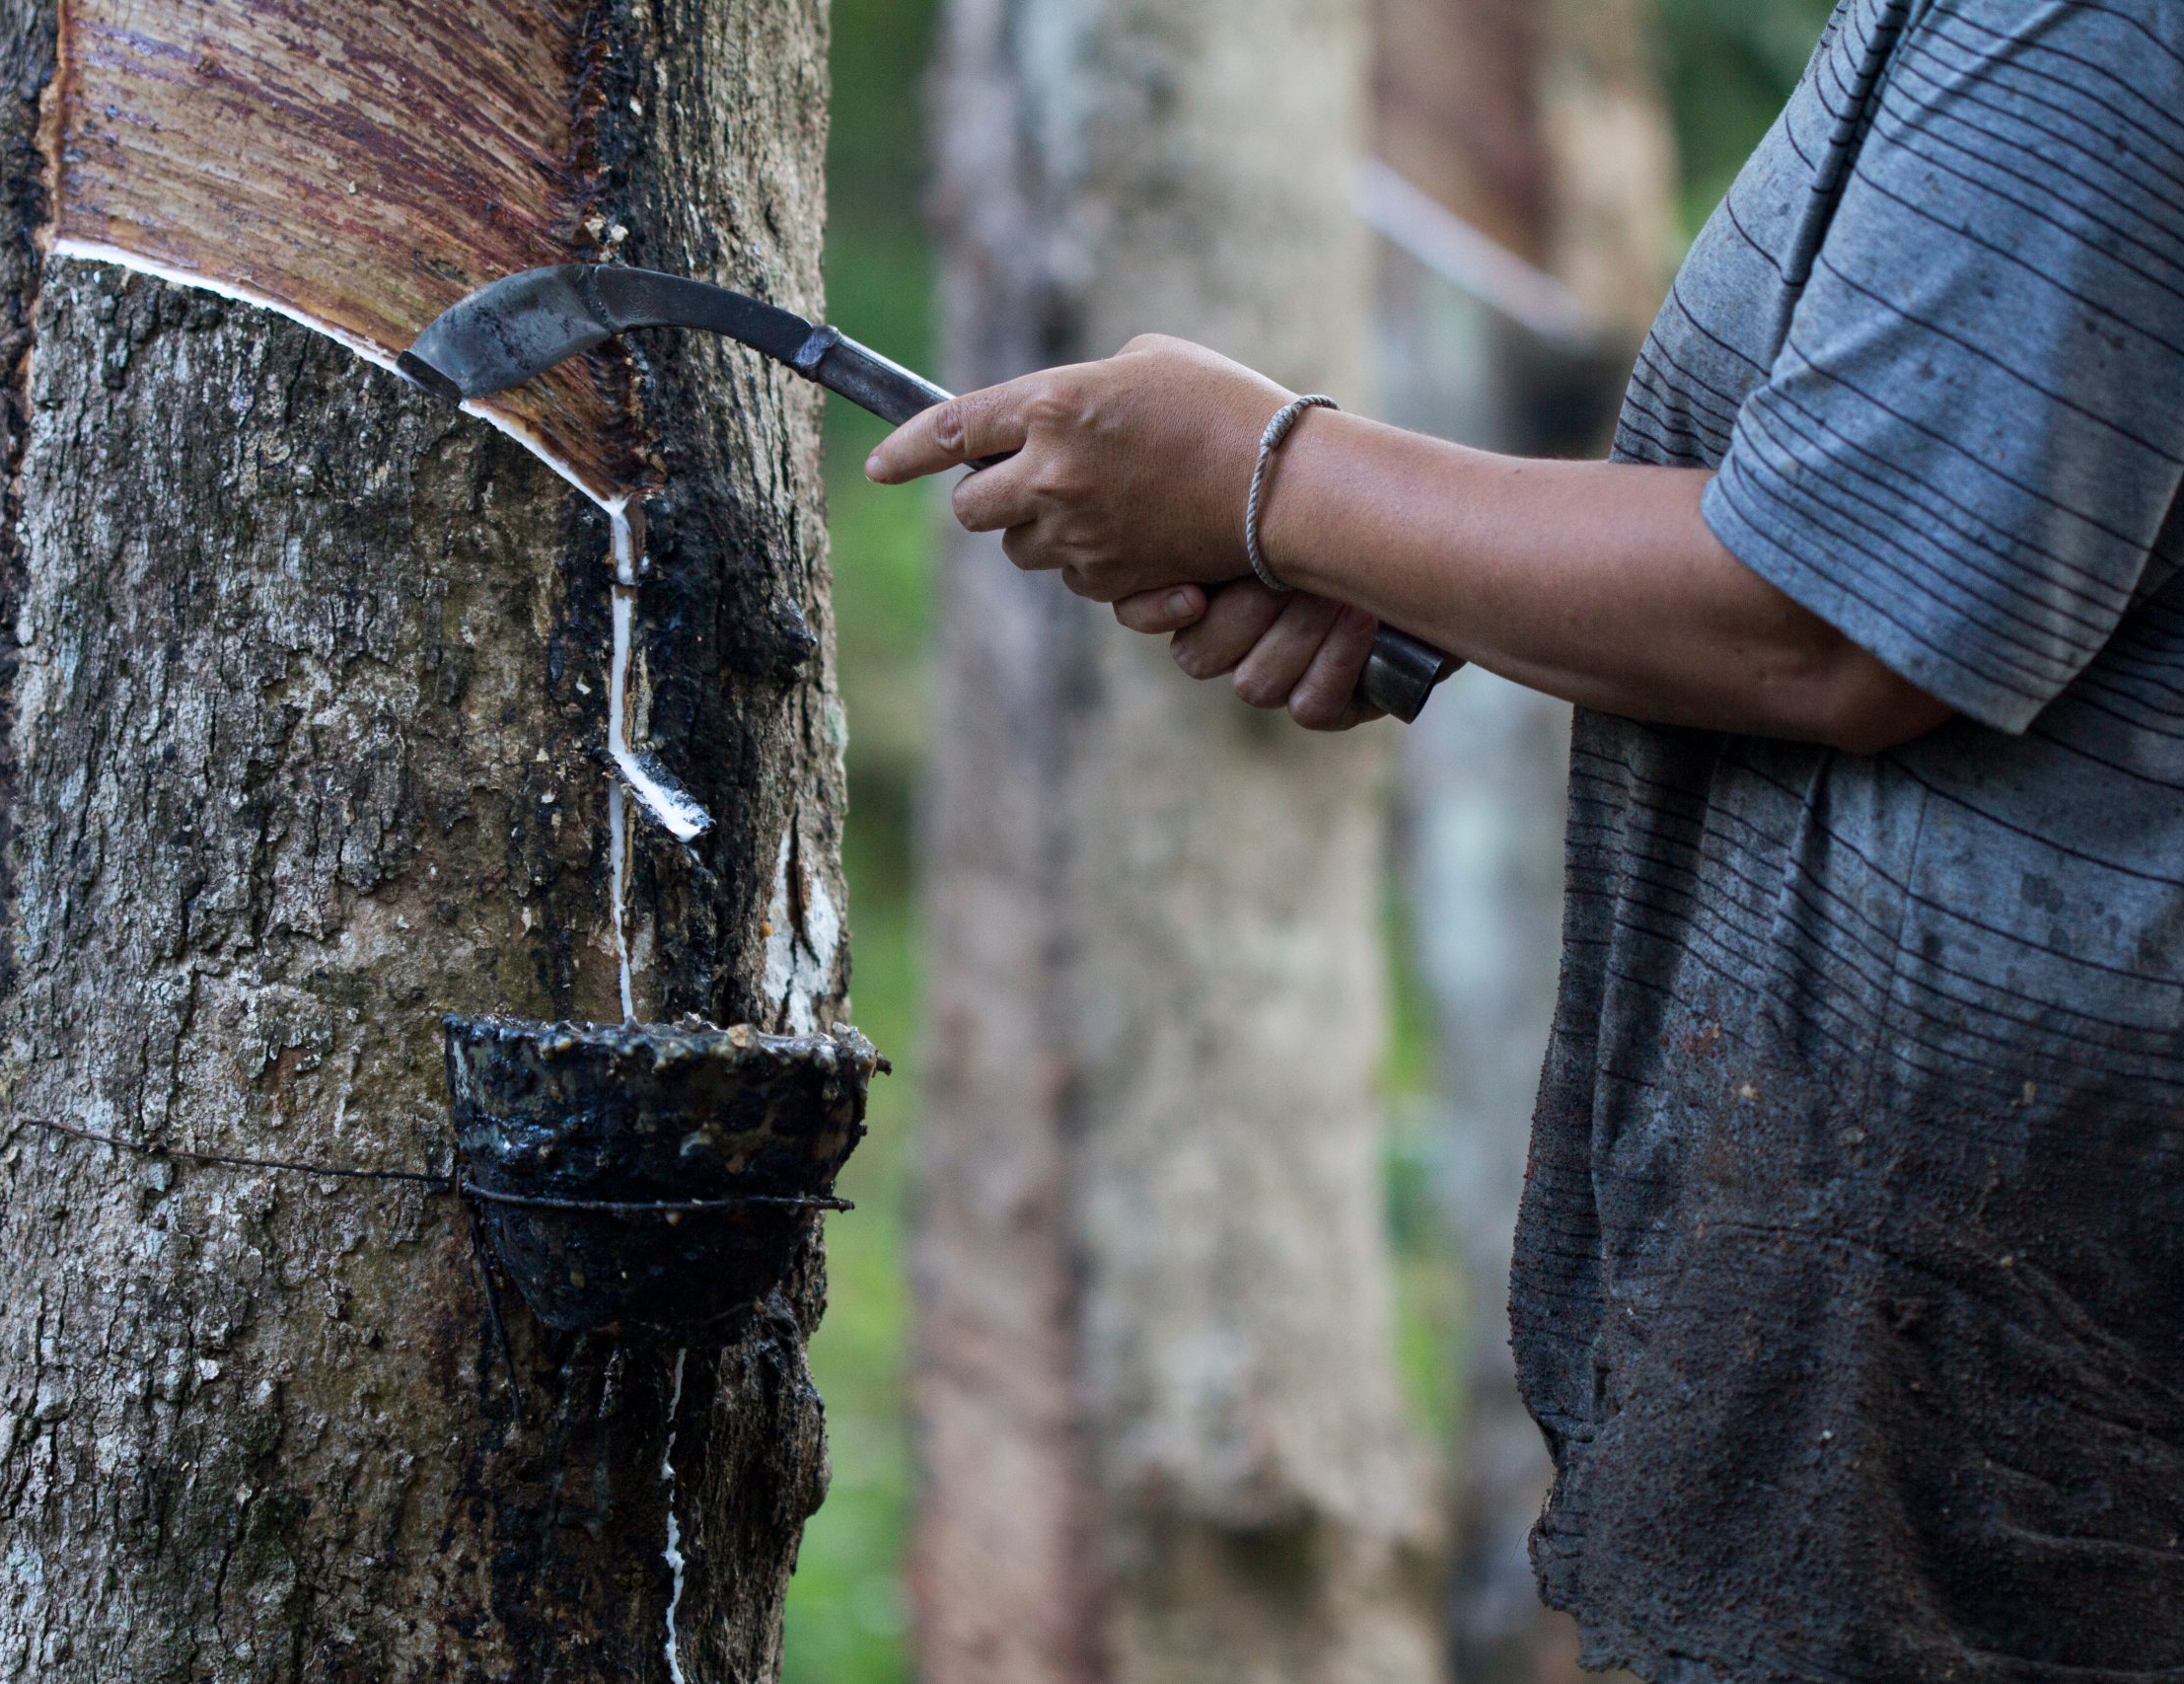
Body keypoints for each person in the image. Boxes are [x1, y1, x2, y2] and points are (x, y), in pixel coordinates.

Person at [868, 0, 2184, 1677]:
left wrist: (1271, 482)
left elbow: (1828, 625)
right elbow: (1910, 511)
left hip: (2035, 1347)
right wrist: (1394, 546)